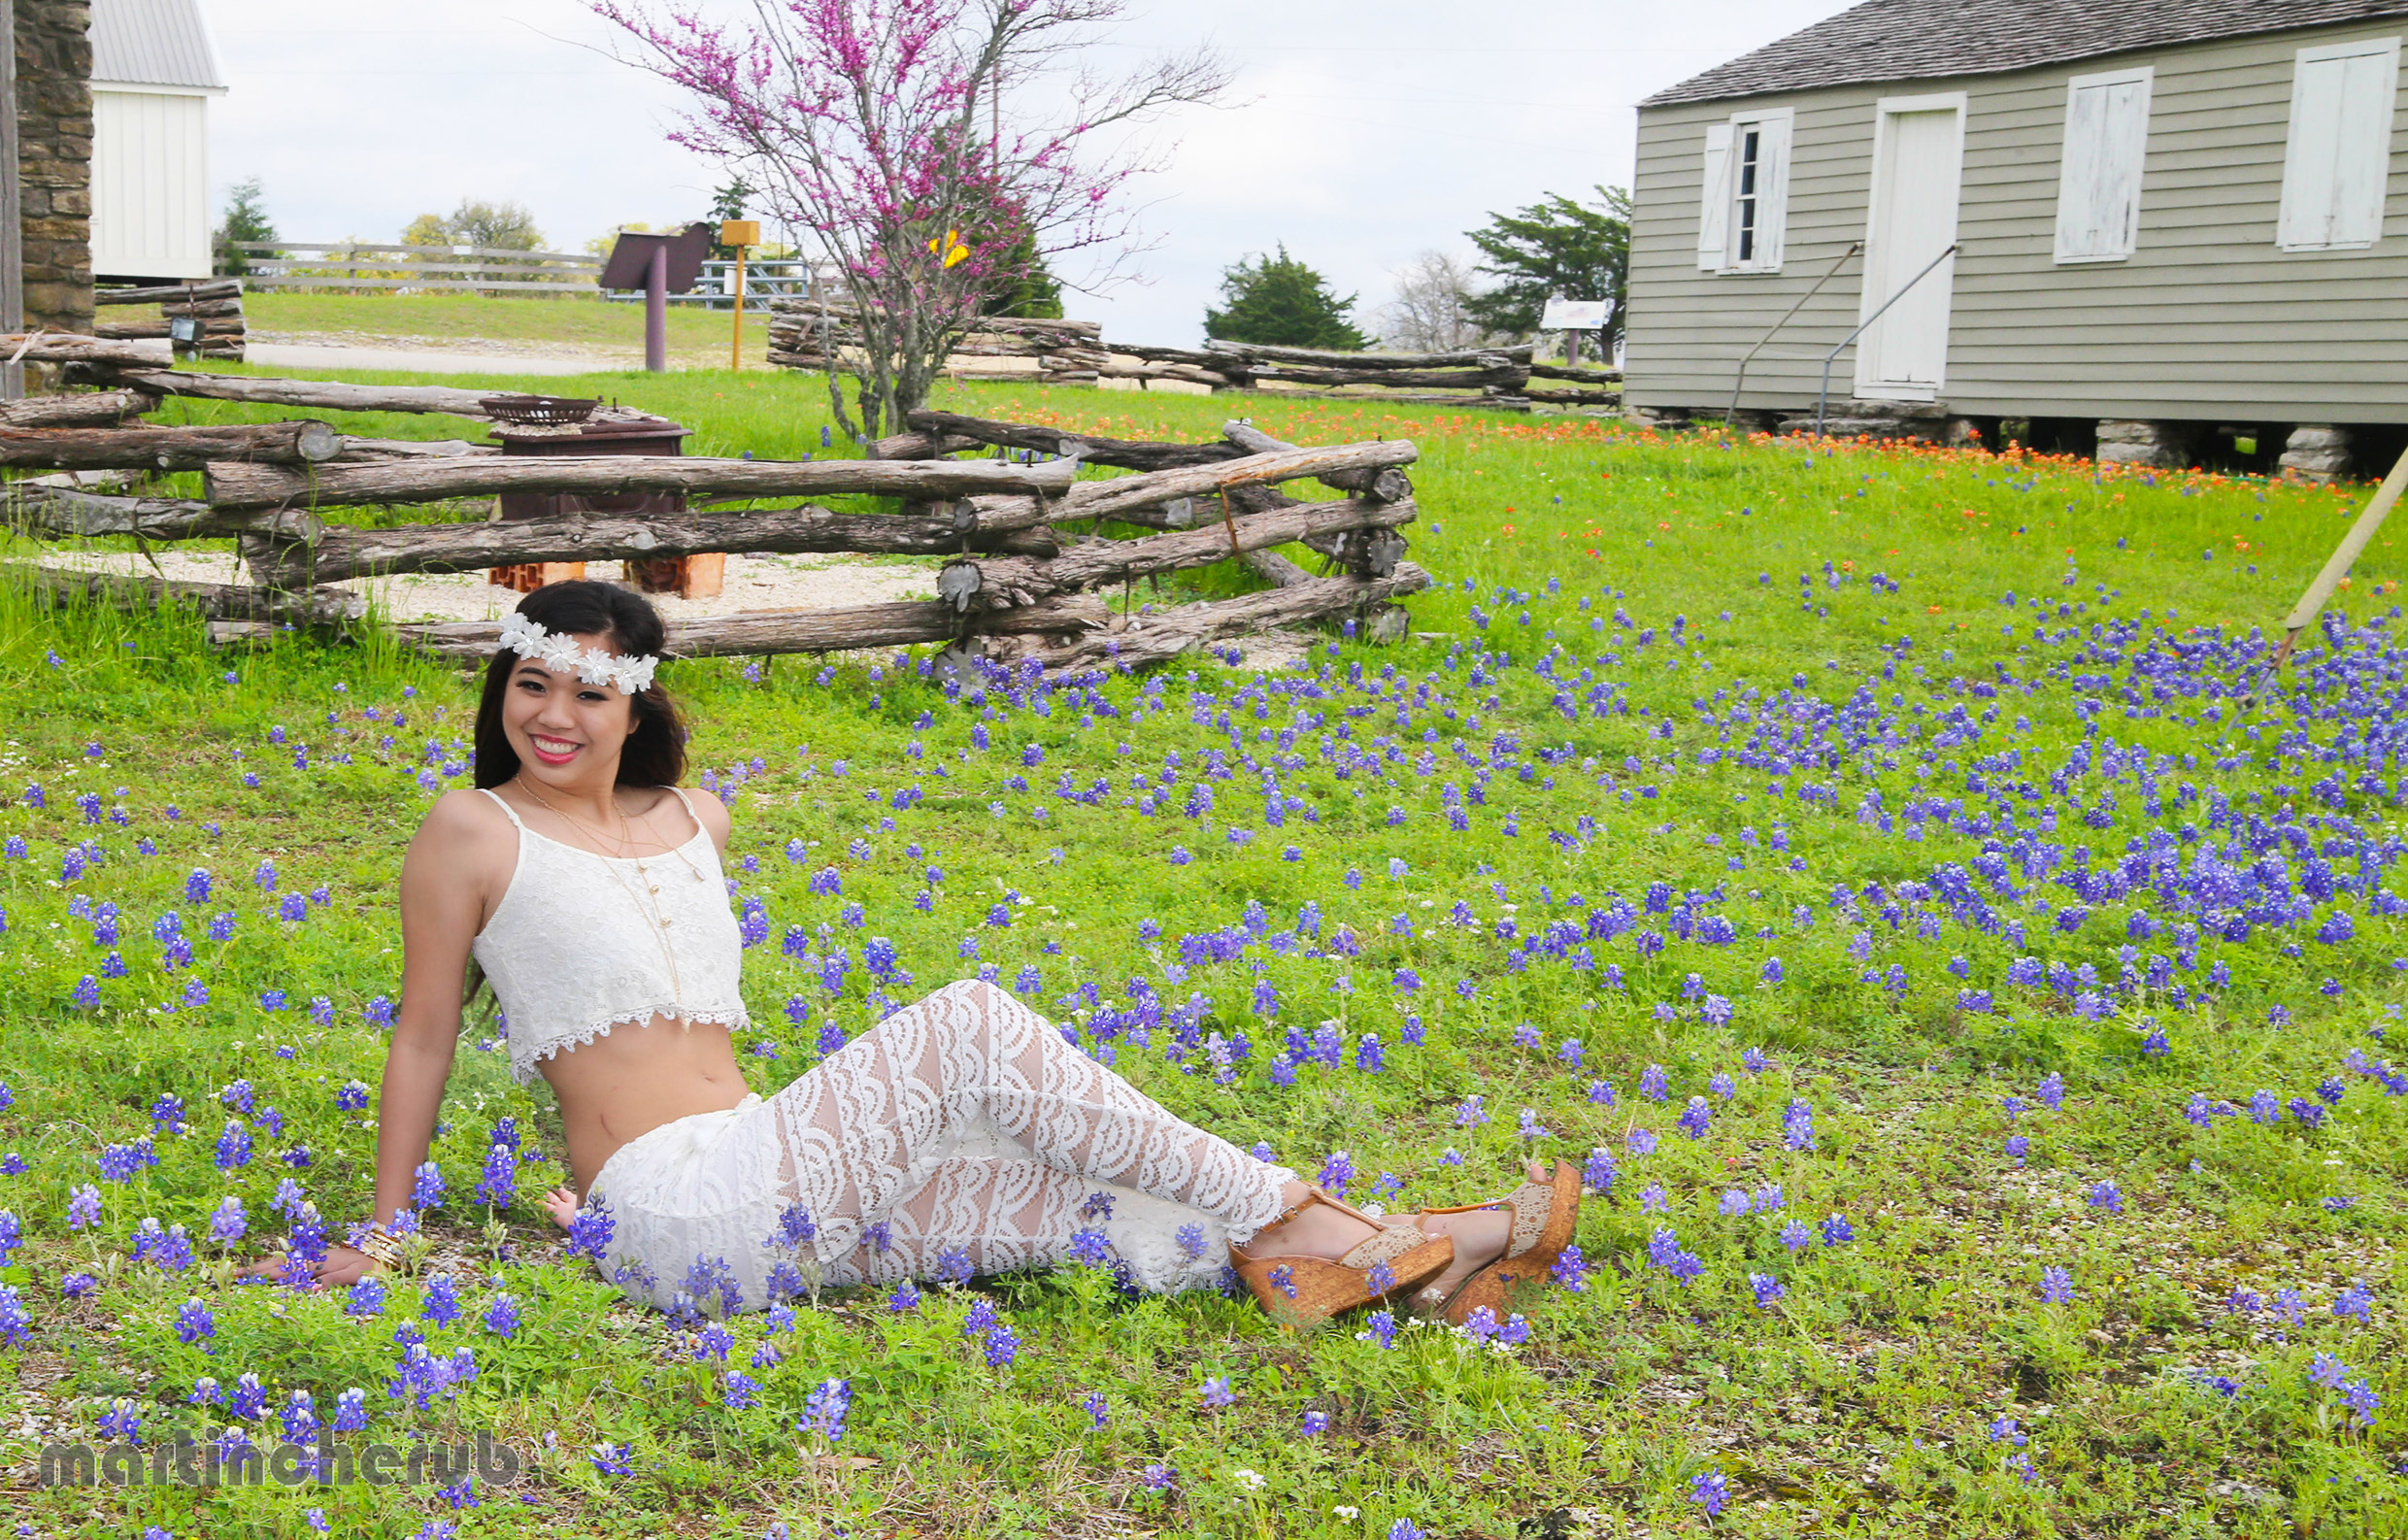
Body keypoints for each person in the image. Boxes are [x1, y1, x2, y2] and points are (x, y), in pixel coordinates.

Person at [265, 581, 1579, 1324]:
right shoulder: (469, 829)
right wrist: (384, 1237)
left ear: (638, 703)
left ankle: (1402, 1258)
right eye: (531, 685)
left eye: (589, 691)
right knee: (965, 1024)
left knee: (1099, 1200)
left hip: (785, 1174)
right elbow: (425, 1032)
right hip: (679, 1210)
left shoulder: (694, 818)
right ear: (500, 691)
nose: (554, 715)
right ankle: (1320, 1215)